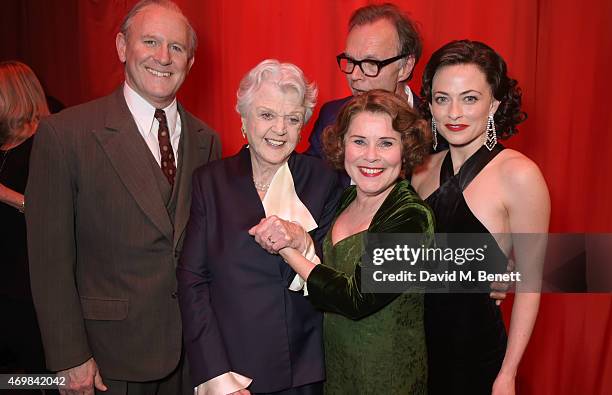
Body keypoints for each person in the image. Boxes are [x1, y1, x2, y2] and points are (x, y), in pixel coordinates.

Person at [25, 1, 220, 394]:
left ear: (191, 60)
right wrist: (68, 357)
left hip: (191, 358)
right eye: (150, 41)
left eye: (177, 47)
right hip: (105, 362)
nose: (163, 57)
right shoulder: (66, 136)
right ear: (121, 47)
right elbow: (49, 261)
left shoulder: (207, 141)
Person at [250, 89, 434, 394]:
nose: (371, 156)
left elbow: (355, 298)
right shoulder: (346, 198)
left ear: (406, 149)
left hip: (387, 380)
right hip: (338, 371)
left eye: (386, 143)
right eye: (359, 141)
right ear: (342, 145)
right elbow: (331, 271)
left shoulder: (411, 216)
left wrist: (288, 250)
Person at [177, 59, 341, 395]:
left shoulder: (323, 180)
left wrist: (304, 243)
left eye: (292, 119)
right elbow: (192, 282)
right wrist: (218, 378)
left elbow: (337, 276)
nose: (280, 129)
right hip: (234, 372)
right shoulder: (211, 182)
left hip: (303, 372)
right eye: (267, 115)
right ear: (243, 119)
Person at [411, 40, 550, 394]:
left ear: (495, 104)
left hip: (476, 358)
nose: (454, 112)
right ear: (429, 104)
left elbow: (531, 283)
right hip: (412, 352)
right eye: (442, 99)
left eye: (469, 98)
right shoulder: (420, 168)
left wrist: (508, 374)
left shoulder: (519, 174)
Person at [305, 3, 427, 166]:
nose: (354, 76)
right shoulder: (331, 116)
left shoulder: (435, 125)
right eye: (350, 61)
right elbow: (306, 178)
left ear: (405, 67)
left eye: (371, 63)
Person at [0, 61, 50, 380]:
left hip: (31, 285)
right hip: (5, 282)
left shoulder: (45, 146)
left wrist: (5, 194)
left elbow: (54, 213)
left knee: (42, 373)